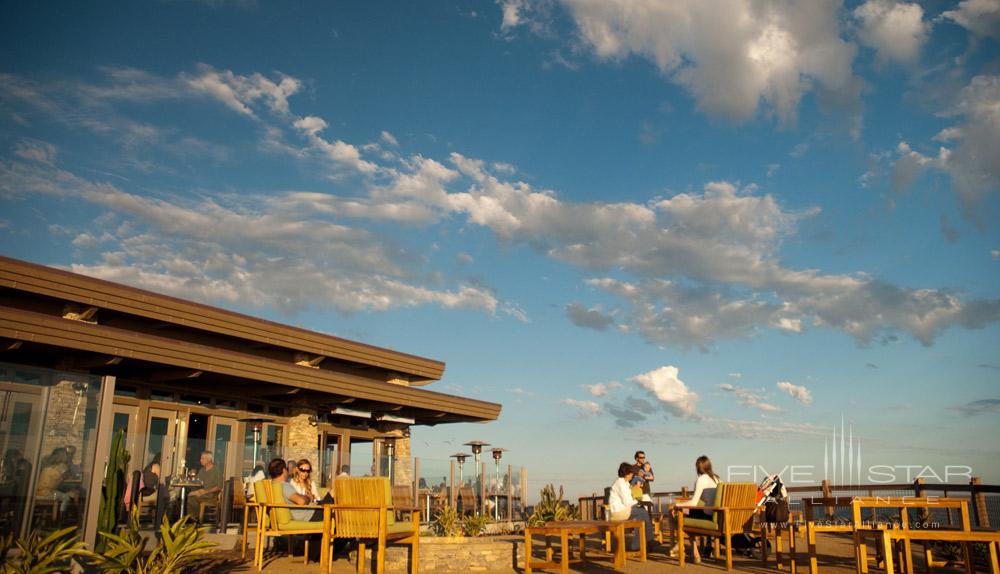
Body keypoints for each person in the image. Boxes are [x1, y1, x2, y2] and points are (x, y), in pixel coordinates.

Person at [671, 455, 721, 562]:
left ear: (698, 467)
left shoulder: (701, 479)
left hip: (707, 516)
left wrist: (677, 505)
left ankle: (693, 552)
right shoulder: (717, 478)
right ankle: (680, 546)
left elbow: (693, 502)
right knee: (689, 513)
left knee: (680, 517)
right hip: (717, 516)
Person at [608, 462, 655, 552]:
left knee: (641, 515)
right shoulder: (620, 484)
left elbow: (630, 496)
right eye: (631, 473)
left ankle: (640, 544)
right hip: (618, 512)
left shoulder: (624, 483)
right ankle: (647, 541)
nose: (632, 475)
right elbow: (627, 501)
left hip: (623, 510)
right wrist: (638, 501)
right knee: (643, 512)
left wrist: (636, 489)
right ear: (627, 473)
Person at [269, 458, 322, 522]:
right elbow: (301, 501)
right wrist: (309, 497)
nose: (305, 473)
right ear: (284, 470)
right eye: (302, 470)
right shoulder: (285, 485)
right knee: (332, 495)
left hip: (310, 511)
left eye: (308, 471)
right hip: (309, 514)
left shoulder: (271, 486)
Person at [187, 451, 223, 519]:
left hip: (211, 495)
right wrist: (192, 477)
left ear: (209, 460)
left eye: (202, 458)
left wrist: (205, 491)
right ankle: (189, 518)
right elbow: (197, 482)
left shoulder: (216, 471)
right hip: (201, 492)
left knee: (192, 497)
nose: (200, 460)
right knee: (189, 495)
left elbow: (219, 487)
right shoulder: (201, 470)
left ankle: (193, 519)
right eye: (201, 458)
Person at [36, 448, 73, 514]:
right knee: (66, 497)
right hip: (47, 493)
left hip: (37, 492)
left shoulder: (47, 464)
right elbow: (69, 477)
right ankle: (61, 515)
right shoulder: (62, 466)